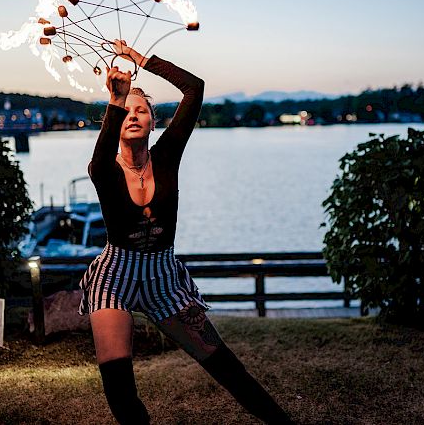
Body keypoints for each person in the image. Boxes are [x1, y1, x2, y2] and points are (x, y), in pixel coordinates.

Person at [78, 40, 294, 424]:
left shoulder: (166, 156)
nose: (133, 115)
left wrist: (142, 60)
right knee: (120, 388)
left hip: (164, 277)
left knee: (226, 367)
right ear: (114, 117)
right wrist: (116, 97)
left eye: (141, 110)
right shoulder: (105, 170)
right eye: (126, 110)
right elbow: (98, 160)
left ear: (152, 122)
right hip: (115, 276)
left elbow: (195, 88)